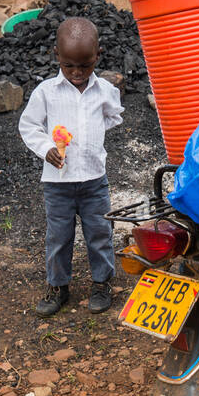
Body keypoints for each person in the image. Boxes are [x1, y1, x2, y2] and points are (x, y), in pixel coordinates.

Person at [18, 17, 124, 316]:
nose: (77, 73)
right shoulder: (46, 92)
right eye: (69, 66)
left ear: (97, 57)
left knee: (100, 232)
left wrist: (92, 136)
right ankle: (58, 286)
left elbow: (114, 116)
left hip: (94, 180)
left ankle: (101, 283)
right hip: (58, 183)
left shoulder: (104, 90)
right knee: (58, 236)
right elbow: (28, 126)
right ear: (57, 56)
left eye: (85, 66)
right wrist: (47, 148)